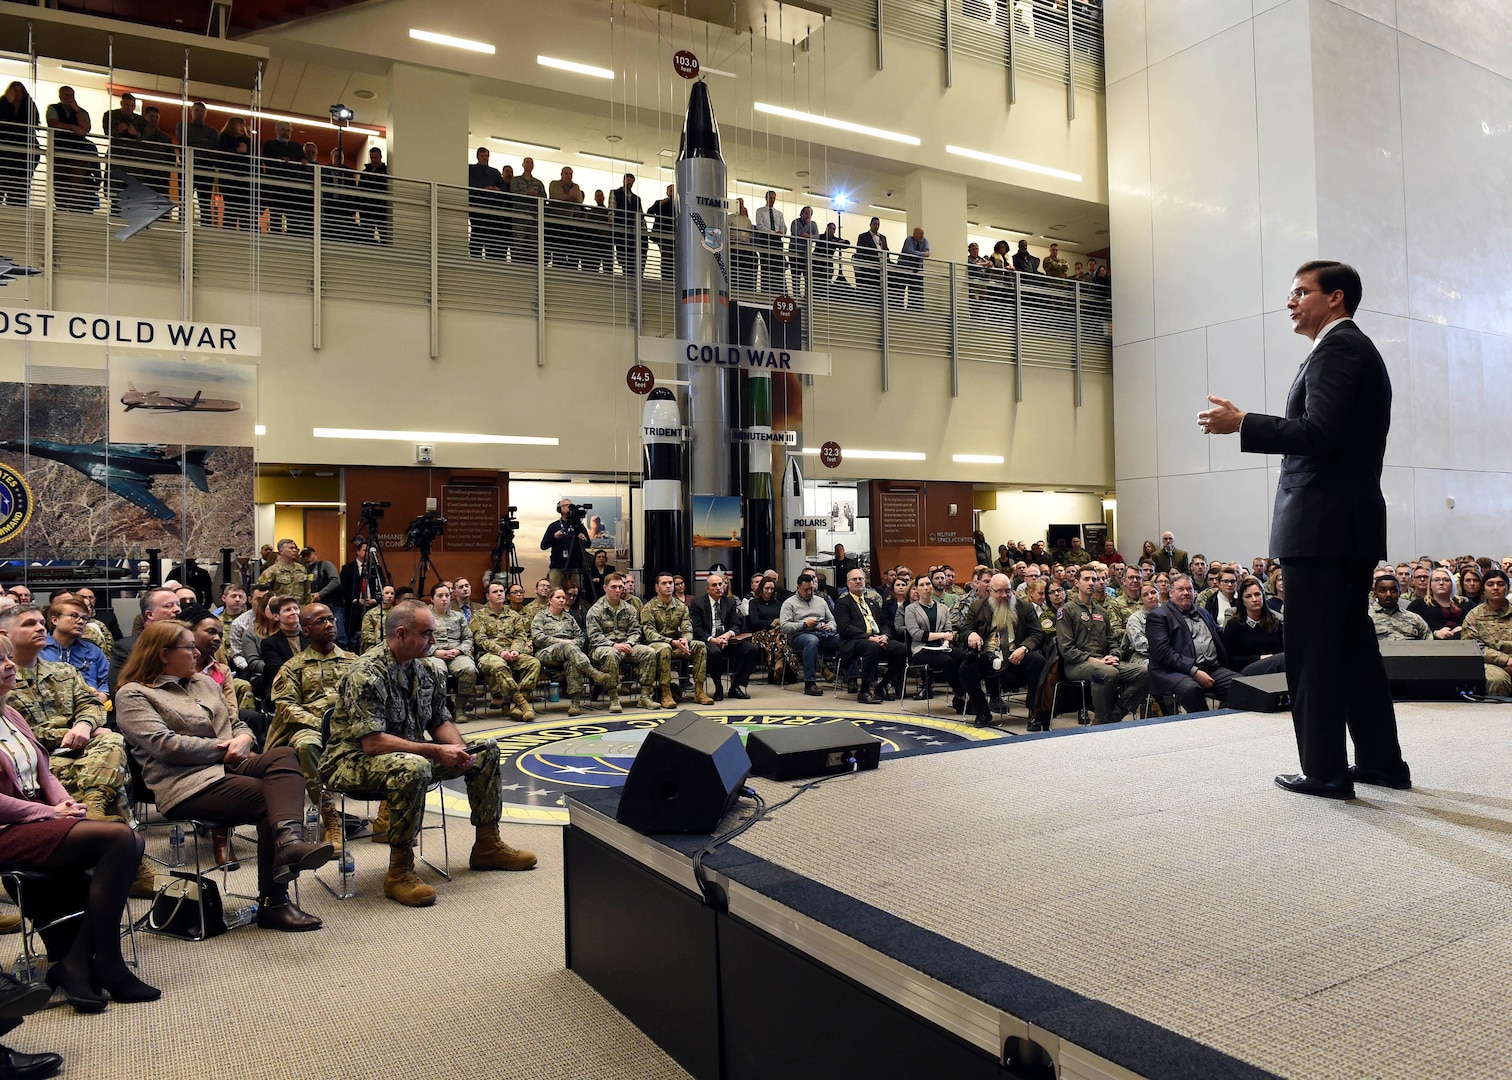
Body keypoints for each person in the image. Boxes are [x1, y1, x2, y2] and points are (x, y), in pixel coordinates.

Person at [1200, 259, 1409, 799]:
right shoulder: (1350, 349)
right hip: (1343, 524)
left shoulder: (1339, 349)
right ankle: (1383, 763)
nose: (1290, 302)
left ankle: (1324, 770)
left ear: (1334, 298)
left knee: (1314, 652)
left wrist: (1243, 423)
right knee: (1354, 648)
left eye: (1300, 292)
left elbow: (1319, 433)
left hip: (1322, 526)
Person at [117, 621, 332, 931]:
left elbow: (238, 721)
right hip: (186, 783)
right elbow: (165, 746)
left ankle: (289, 843)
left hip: (232, 765)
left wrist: (244, 739)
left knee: (285, 755)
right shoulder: (133, 694)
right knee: (269, 799)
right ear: (164, 654)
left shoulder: (205, 683)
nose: (198, 652)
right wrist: (224, 749)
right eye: (189, 647)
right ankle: (275, 902)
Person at [323, 600, 534, 908]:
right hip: (351, 762)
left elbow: (439, 720)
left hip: (405, 756)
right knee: (415, 767)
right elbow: (372, 743)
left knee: (486, 750)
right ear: (400, 633)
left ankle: (488, 844)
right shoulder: (366, 674)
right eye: (426, 634)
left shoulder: (425, 671)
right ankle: (399, 871)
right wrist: (436, 751)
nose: (433, 642)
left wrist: (460, 751)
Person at [0, 633, 158, 1014]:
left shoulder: (9, 713)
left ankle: (77, 962)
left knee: (124, 841)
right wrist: (48, 813)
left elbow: (44, 771)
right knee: (121, 839)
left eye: (7, 657)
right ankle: (105, 961)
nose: (8, 664)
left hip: (35, 820)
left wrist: (62, 801)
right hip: (7, 831)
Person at [267, 604, 357, 858]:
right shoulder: (293, 667)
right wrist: (321, 723)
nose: (329, 625)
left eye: (331, 619)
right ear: (306, 630)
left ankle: (386, 815)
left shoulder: (354, 661)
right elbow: (285, 706)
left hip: (349, 727)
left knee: (387, 738)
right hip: (311, 727)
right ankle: (330, 816)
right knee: (306, 745)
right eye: (320, 622)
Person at [1056, 566, 1146, 724]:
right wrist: (1095, 661)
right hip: (1077, 665)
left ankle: (1114, 715)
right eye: (1086, 579)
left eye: (1094, 579)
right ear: (1076, 583)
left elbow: (1112, 641)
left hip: (1104, 662)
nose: (1091, 583)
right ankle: (1103, 718)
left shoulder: (1102, 612)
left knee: (1145, 671)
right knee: (1108, 672)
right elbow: (1067, 649)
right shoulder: (1067, 610)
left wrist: (1114, 655)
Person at [958, 574, 1045, 727]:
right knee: (966, 669)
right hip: (987, 655)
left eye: (1008, 591)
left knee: (1037, 661)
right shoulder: (977, 607)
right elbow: (965, 631)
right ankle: (982, 712)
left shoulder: (1024, 607)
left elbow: (1036, 634)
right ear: (990, 590)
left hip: (1015, 654)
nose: (1004, 595)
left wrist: (1023, 649)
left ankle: (1034, 712)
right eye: (999, 591)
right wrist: (971, 634)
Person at [1146, 575, 1238, 714]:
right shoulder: (1159, 616)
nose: (1185, 593)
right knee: (1191, 690)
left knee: (1240, 685)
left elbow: (1219, 633)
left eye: (1189, 589)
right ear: (1171, 593)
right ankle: (1205, 725)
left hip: (1211, 667)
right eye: (1181, 589)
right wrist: (1194, 671)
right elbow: (1163, 652)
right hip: (1175, 671)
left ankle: (1220, 719)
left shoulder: (1202, 612)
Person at [584, 573, 658, 713]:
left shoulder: (629, 608)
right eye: (614, 587)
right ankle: (614, 697)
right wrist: (614, 645)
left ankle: (645, 696)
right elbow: (594, 636)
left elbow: (636, 630)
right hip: (602, 648)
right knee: (611, 654)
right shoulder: (595, 610)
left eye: (620, 587)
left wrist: (629, 643)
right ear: (605, 587)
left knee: (649, 652)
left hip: (627, 646)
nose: (618, 590)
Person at [531, 588, 611, 717]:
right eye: (558, 597)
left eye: (563, 597)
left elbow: (580, 637)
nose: (562, 600)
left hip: (570, 653)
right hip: (546, 653)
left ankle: (575, 703)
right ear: (550, 600)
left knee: (573, 662)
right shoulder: (541, 617)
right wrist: (560, 642)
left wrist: (573, 643)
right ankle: (592, 672)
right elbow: (538, 638)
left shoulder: (569, 618)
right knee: (568, 648)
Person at [641, 572, 714, 708]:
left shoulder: (681, 606)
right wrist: (671, 642)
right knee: (665, 648)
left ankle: (699, 691)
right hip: (656, 645)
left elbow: (687, 627)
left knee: (700, 646)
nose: (668, 586)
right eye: (664, 583)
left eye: (670, 583)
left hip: (678, 644)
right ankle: (666, 693)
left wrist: (685, 640)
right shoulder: (649, 607)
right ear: (657, 587)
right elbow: (649, 634)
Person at [472, 582, 542, 720]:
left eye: (501, 591)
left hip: (511, 652)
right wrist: (500, 652)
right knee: (499, 666)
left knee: (534, 663)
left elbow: (520, 635)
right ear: (487, 596)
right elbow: (480, 638)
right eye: (495, 591)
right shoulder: (479, 615)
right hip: (488, 654)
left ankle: (516, 707)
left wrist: (515, 650)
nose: (499, 594)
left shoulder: (513, 615)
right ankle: (523, 704)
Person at [834, 569, 901, 705]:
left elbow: (884, 623)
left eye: (861, 579)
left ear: (865, 581)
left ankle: (881, 686)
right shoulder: (843, 603)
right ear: (848, 583)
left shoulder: (872, 602)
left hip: (877, 639)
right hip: (854, 641)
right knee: (872, 647)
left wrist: (885, 636)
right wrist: (868, 637)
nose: (858, 581)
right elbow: (845, 628)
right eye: (855, 579)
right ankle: (864, 691)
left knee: (902, 649)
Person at [689, 573, 757, 702]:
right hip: (709, 640)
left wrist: (727, 635)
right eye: (714, 585)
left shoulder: (729, 602)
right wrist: (713, 639)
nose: (718, 587)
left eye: (720, 584)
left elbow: (736, 625)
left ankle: (735, 686)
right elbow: (697, 629)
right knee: (715, 652)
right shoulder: (698, 603)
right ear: (707, 588)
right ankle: (718, 687)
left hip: (727, 640)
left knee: (752, 649)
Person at [780, 573, 838, 696]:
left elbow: (832, 620)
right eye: (806, 590)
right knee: (811, 641)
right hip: (799, 635)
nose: (809, 592)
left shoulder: (821, 601)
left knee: (845, 639)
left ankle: (852, 677)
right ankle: (809, 683)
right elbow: (784, 626)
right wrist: (805, 624)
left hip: (822, 633)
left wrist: (830, 626)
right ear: (798, 588)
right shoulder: (789, 603)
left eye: (811, 589)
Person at [39, 597, 108, 697]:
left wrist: (104, 695)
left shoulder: (93, 650)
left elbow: (108, 679)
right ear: (55, 620)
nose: (81, 622)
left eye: (84, 618)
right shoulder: (38, 650)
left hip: (90, 704)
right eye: (74, 616)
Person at [427, 583, 477, 712]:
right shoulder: (425, 616)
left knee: (469, 669)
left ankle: (460, 707)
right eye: (440, 596)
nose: (444, 598)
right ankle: (440, 708)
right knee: (438, 671)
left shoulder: (458, 616)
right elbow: (419, 640)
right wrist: (436, 652)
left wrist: (459, 650)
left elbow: (468, 638)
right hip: (434, 654)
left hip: (456, 653)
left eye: (447, 595)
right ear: (432, 599)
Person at [1461, 569, 1511, 696]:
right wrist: (1506, 660)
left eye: (1500, 584)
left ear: (1508, 588)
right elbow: (1472, 647)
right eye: (1490, 584)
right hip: (1490, 664)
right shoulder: (1474, 615)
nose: (1495, 588)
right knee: (1497, 680)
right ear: (1484, 589)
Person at [1223, 577, 1287, 676]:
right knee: (1282, 659)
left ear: (1263, 595)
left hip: (1274, 669)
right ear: (1242, 601)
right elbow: (1229, 659)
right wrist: (1259, 658)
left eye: (1257, 594)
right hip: (1245, 670)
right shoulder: (1234, 625)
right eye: (1248, 596)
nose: (1254, 599)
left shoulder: (1274, 622)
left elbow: (1282, 649)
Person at [0, 81, 40, 208]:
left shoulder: (29, 106)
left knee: (18, 197)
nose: (18, 94)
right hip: (3, 157)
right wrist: (7, 102)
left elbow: (32, 124)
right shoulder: (2, 103)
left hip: (22, 160)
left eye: (20, 91)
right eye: (15, 91)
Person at [541, 498, 591, 588]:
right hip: (557, 566)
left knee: (575, 591)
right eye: (565, 505)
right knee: (555, 591)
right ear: (559, 509)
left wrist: (584, 539)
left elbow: (588, 544)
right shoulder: (554, 526)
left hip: (575, 566)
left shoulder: (579, 526)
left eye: (570, 505)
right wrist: (554, 537)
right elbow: (543, 545)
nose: (568, 507)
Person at [746, 577, 787, 682]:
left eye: (772, 589)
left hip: (777, 633)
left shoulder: (777, 603)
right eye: (767, 588)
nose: (769, 591)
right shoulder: (754, 603)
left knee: (780, 634)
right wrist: (771, 623)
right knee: (780, 636)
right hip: (760, 634)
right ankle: (778, 661)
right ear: (761, 588)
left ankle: (778, 664)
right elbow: (755, 622)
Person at [1368, 574, 1430, 641]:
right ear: (1375, 594)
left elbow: (1430, 645)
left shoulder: (1415, 619)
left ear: (1399, 593)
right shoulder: (1366, 618)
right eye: (1383, 591)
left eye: (1393, 590)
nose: (1388, 594)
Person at [1409, 568, 1465, 639]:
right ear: (1430, 585)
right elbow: (1410, 630)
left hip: (1463, 643)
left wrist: (1464, 628)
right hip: (1431, 645)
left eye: (1446, 580)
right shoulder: (1418, 605)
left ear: (1452, 584)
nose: (1441, 583)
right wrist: (1434, 633)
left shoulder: (1464, 603)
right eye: (1436, 580)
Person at [258, 539, 311, 606]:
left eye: (295, 548)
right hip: (281, 609)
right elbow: (261, 591)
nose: (294, 550)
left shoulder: (301, 569)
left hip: (300, 608)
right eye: (291, 548)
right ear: (281, 551)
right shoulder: (272, 570)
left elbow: (307, 592)